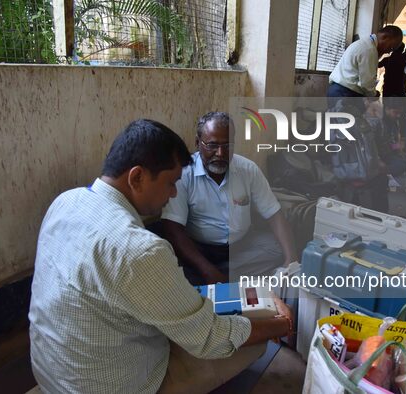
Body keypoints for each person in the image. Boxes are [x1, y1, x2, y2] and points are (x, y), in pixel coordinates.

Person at [28, 119, 294, 393]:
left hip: (52, 375)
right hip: (112, 386)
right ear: (137, 177)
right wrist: (277, 325)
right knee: (249, 339)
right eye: (170, 183)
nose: (174, 192)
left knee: (198, 305)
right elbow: (210, 337)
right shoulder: (141, 250)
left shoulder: (65, 201)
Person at [161, 112, 298, 285]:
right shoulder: (183, 174)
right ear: (198, 143)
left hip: (241, 248)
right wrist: (208, 270)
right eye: (212, 145)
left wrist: (291, 262)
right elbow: (173, 229)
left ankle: (222, 279)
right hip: (200, 251)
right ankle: (225, 277)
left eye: (227, 145)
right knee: (173, 265)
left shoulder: (248, 170)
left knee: (278, 248)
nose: (220, 153)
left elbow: (274, 215)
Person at [327, 25, 404, 102]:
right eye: (391, 47)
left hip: (337, 91)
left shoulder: (364, 43)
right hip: (345, 94)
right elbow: (366, 84)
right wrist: (374, 94)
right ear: (384, 37)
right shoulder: (370, 50)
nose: (388, 52)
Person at [379, 32, 406, 97]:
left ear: (393, 49)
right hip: (399, 87)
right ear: (402, 50)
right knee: (399, 106)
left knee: (387, 106)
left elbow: (377, 65)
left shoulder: (387, 60)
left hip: (387, 87)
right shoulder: (403, 58)